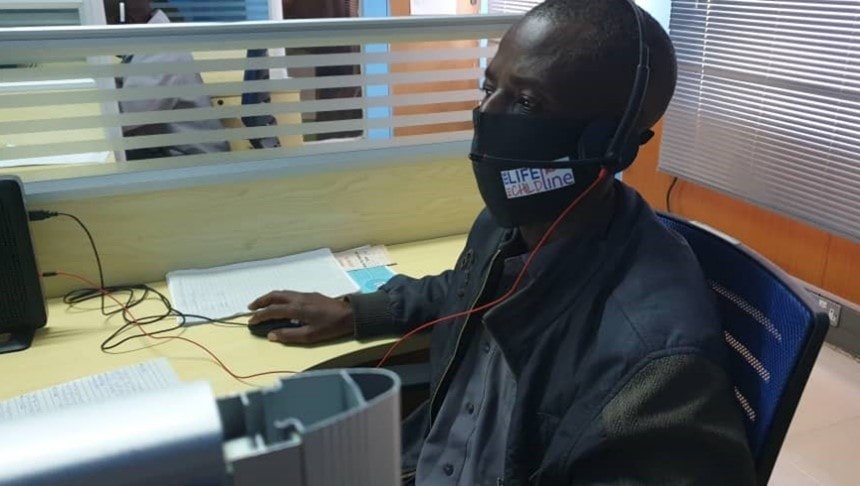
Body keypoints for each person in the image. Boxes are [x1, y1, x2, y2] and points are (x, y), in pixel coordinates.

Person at [248, 0, 757, 484]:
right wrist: (358, 311)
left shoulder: (656, 371)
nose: (487, 117)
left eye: (527, 102)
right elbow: (462, 289)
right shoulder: (509, 225)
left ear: (608, 145)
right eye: (489, 87)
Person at [104, 0, 230, 160]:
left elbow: (128, 118)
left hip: (193, 161)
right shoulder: (151, 45)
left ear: (124, 20)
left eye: (106, 25)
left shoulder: (160, 53)